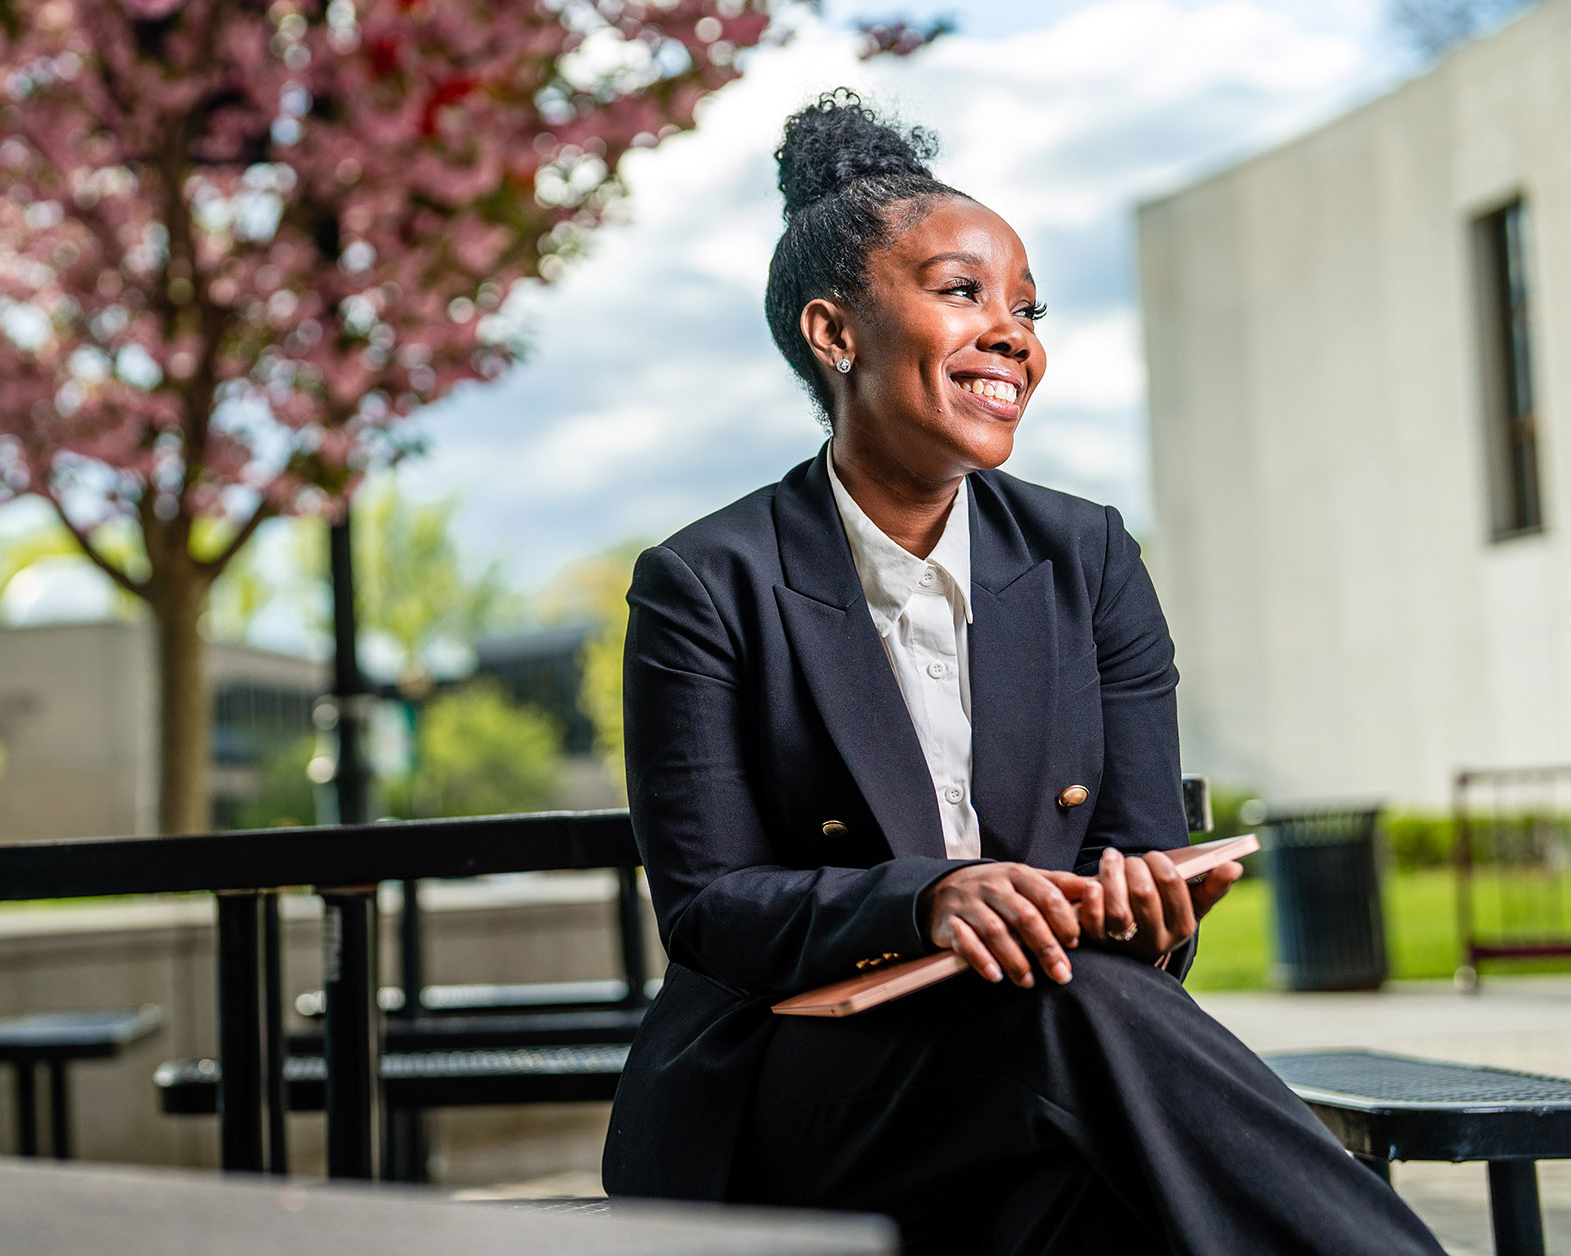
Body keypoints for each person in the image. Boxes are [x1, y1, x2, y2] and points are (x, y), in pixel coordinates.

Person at [599, 89, 1446, 1256]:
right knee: (1086, 1036)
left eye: (1027, 308)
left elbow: (1134, 849)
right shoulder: (704, 579)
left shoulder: (1085, 555)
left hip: (1043, 1044)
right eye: (963, 292)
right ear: (832, 332)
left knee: (1091, 1086)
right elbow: (708, 907)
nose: (1014, 333)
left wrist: (1148, 912)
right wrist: (929, 895)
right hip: (798, 1083)